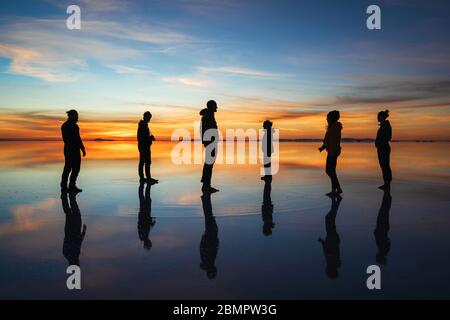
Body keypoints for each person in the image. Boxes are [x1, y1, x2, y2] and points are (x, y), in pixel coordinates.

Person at [61, 109, 86, 193]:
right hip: (69, 150)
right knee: (68, 168)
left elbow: (78, 139)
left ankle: (72, 185)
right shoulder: (65, 126)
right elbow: (68, 139)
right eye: (76, 116)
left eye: (77, 116)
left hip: (75, 150)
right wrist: (79, 147)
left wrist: (82, 148)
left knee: (76, 169)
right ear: (71, 116)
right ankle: (64, 186)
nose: (77, 117)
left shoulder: (75, 126)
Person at [319, 110, 343, 196]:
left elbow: (333, 141)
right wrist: (323, 147)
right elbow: (329, 140)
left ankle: (338, 188)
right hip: (332, 150)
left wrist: (331, 151)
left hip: (333, 151)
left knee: (329, 171)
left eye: (328, 117)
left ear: (332, 118)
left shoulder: (335, 127)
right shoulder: (332, 127)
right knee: (331, 171)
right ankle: (334, 190)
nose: (326, 118)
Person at [318, 195, 342, 279]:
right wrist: (322, 242)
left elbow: (327, 250)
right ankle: (337, 201)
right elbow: (327, 250)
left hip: (333, 238)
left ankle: (336, 201)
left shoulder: (333, 262)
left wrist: (322, 242)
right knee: (329, 218)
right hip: (332, 238)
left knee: (330, 219)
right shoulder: (332, 261)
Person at [61, 191, 86, 266]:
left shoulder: (69, 253)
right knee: (70, 212)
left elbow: (79, 242)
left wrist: (84, 231)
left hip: (73, 230)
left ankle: (66, 196)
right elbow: (79, 242)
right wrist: (83, 231)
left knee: (71, 212)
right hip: (71, 230)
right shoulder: (66, 253)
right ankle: (66, 197)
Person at [200, 100, 219, 193]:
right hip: (210, 143)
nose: (217, 107)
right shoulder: (208, 116)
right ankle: (206, 186)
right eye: (215, 105)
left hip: (210, 142)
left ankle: (206, 185)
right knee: (209, 164)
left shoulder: (208, 115)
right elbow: (207, 130)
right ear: (211, 106)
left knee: (208, 164)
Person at [200, 192, 219, 279]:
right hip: (209, 238)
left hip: (209, 238)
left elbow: (207, 248)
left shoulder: (208, 261)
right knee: (208, 217)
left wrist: (204, 238)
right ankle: (205, 199)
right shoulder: (208, 261)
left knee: (208, 217)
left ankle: (205, 199)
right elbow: (205, 248)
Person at [137, 111, 158, 184]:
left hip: (144, 146)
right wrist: (150, 138)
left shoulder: (144, 125)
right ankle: (144, 178)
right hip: (144, 147)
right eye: (148, 117)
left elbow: (144, 137)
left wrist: (150, 138)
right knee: (145, 162)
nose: (149, 119)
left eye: (150, 118)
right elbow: (142, 138)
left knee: (145, 162)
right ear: (145, 117)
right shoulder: (143, 126)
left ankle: (145, 178)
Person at [375, 110, 392, 190]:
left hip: (384, 148)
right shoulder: (383, 126)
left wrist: (380, 142)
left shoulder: (386, 126)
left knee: (385, 166)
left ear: (382, 117)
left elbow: (388, 137)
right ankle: (386, 183)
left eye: (378, 116)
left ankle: (387, 183)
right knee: (383, 166)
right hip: (381, 148)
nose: (377, 118)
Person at [374, 190, 392, 265]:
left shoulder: (383, 249)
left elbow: (386, 240)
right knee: (384, 211)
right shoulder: (383, 249)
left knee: (384, 211)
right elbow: (384, 240)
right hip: (382, 229)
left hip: (382, 229)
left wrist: (376, 233)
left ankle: (387, 196)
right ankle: (387, 196)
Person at [138, 182, 156, 250]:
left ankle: (143, 184)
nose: (150, 241)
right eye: (150, 243)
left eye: (149, 243)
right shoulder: (143, 236)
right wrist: (151, 223)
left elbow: (142, 224)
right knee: (145, 198)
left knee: (144, 198)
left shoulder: (143, 236)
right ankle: (144, 184)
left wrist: (151, 223)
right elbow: (143, 224)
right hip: (145, 213)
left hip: (144, 213)